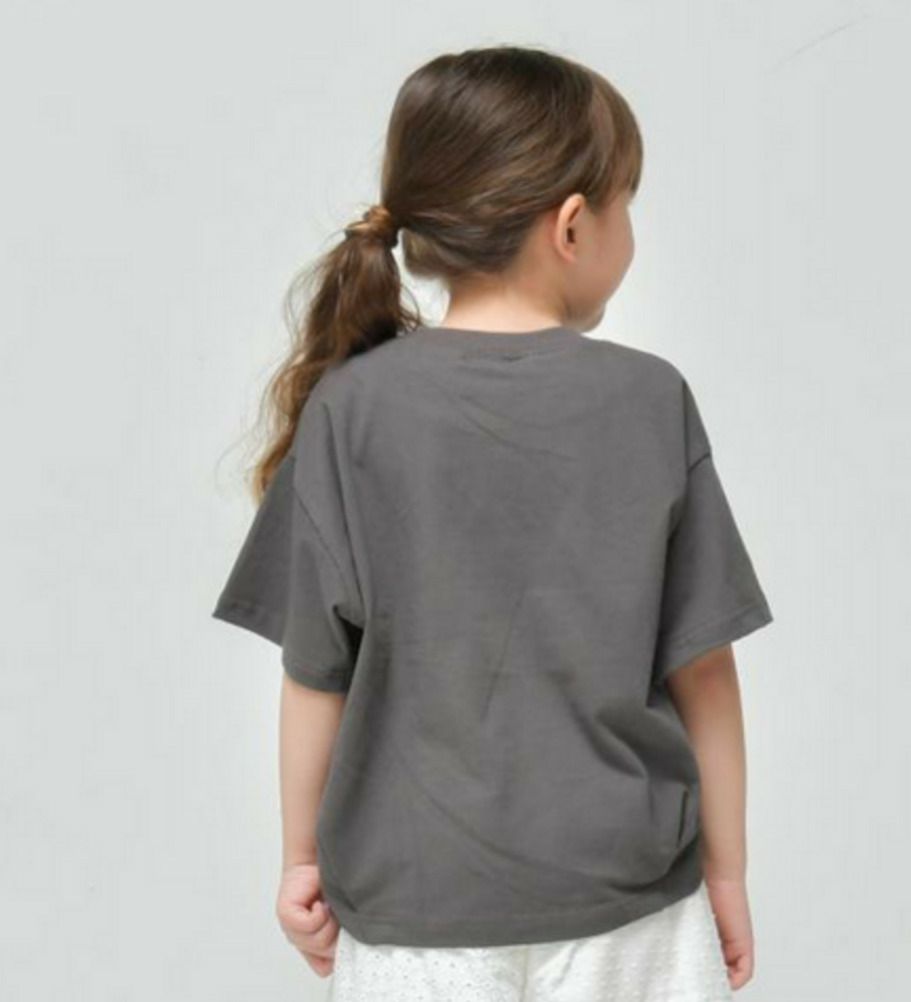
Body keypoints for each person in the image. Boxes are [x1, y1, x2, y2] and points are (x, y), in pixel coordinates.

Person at [211, 44, 774, 1002]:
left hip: (412, 907)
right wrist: (727, 872)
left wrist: (300, 855)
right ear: (572, 226)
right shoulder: (649, 400)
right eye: (627, 204)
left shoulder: (352, 408)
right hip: (629, 898)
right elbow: (705, 669)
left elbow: (315, 669)